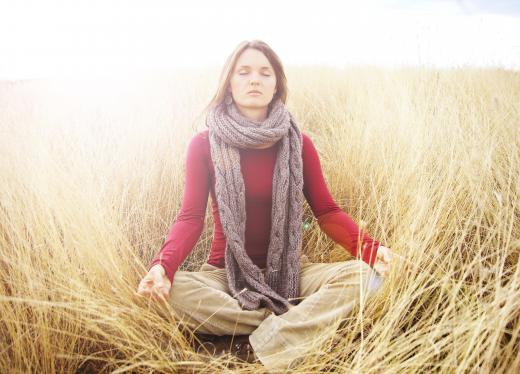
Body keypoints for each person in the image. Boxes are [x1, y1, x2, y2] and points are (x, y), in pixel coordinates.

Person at [137, 39, 402, 371]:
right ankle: (288, 322)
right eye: (243, 71)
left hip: (292, 270)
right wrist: (162, 267)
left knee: (368, 279)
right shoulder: (204, 144)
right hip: (224, 272)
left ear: (276, 84)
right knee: (168, 292)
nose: (254, 80)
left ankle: (262, 334)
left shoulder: (298, 143)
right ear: (229, 82)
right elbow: (190, 218)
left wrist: (372, 250)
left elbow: (327, 212)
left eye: (265, 73)